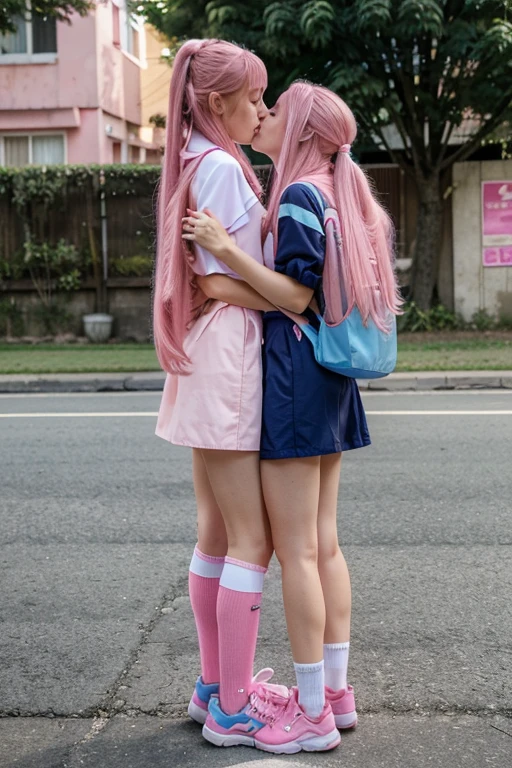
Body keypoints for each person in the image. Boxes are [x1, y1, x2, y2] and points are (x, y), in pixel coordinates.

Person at [183, 80, 402, 754]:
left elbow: (298, 295)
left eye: (276, 110)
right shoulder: (337, 193)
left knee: (297, 552)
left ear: (302, 130)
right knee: (324, 544)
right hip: (330, 382)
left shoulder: (304, 195)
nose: (265, 115)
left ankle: (308, 715)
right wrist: (231, 278)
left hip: (297, 379)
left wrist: (225, 255)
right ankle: (334, 695)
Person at [153, 39, 283, 728]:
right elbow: (235, 280)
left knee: (214, 533)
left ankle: (215, 686)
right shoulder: (224, 171)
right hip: (230, 348)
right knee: (250, 540)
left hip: (207, 345)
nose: (260, 109)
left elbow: (208, 278)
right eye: (254, 97)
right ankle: (232, 707)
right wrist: (296, 298)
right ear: (215, 103)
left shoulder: (192, 162)